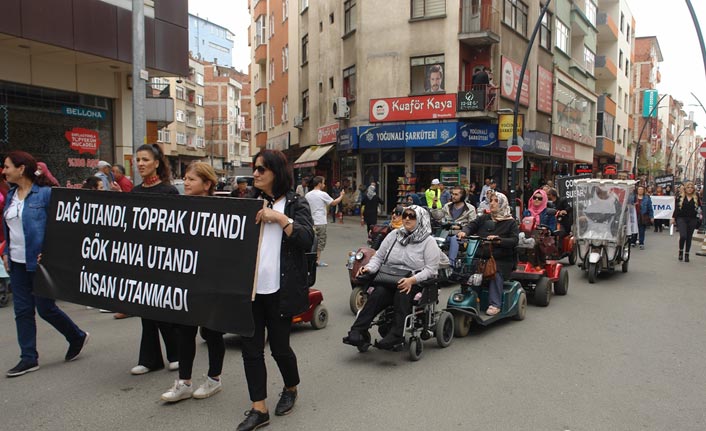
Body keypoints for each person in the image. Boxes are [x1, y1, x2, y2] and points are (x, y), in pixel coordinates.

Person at [235, 149, 314, 431]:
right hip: (251, 291)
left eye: (261, 169)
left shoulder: (294, 203)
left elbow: (307, 239)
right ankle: (259, 409)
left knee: (280, 348)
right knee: (251, 350)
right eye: (254, 168)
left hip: (280, 291)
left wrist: (280, 219)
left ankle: (291, 388)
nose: (255, 174)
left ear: (276, 173)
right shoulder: (247, 202)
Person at [2, 151, 89, 377]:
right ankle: (28, 358)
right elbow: (10, 229)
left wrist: (52, 252)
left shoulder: (45, 195)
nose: (4, 171)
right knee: (22, 311)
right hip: (17, 262)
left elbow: (62, 226)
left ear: (21, 169)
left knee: (45, 308)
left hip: (39, 262)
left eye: (7, 166)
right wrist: (6, 252)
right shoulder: (11, 196)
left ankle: (76, 336)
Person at [160, 162, 226, 403]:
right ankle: (184, 382)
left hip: (212, 284)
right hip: (187, 282)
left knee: (212, 333)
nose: (186, 183)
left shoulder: (224, 211)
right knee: (185, 332)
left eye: (191, 179)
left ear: (207, 184)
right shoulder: (181, 208)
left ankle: (214, 379)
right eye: (185, 178)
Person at [343, 205, 440, 349]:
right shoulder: (394, 235)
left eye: (411, 216)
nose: (406, 218)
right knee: (377, 294)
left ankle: (396, 335)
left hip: (413, 280)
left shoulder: (428, 242)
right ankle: (357, 331)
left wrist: (411, 280)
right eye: (405, 215)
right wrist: (368, 268)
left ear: (421, 220)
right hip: (389, 278)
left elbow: (431, 270)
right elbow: (378, 257)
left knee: (402, 292)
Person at [128, 144, 179, 375]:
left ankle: (175, 354)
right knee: (146, 311)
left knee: (163, 309)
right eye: (137, 159)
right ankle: (149, 359)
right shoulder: (135, 192)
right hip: (141, 259)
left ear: (157, 163)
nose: (140, 164)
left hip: (164, 259)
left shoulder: (169, 192)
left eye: (145, 159)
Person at [457, 192, 518, 316]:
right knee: (465, 269)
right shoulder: (484, 218)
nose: (492, 203)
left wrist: (499, 240)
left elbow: (514, 240)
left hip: (500, 259)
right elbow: (471, 225)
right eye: (491, 200)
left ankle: (495, 304)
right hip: (481, 256)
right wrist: (464, 232)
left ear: (502, 203)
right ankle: (469, 298)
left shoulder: (510, 222)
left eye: (496, 201)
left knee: (495, 272)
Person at [304, 176, 344, 267]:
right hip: (320, 221)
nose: (324, 184)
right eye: (323, 183)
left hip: (310, 222)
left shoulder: (308, 195)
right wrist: (341, 196)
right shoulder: (323, 194)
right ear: (319, 184)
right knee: (320, 242)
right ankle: (317, 261)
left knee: (310, 241)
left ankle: (309, 260)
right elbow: (333, 203)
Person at [442, 186, 477, 267]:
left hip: (462, 237)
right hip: (446, 234)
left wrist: (460, 227)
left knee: (455, 239)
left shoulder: (470, 208)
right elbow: (439, 218)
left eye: (456, 194)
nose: (453, 196)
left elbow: (473, 225)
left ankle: (451, 265)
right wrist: (434, 207)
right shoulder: (447, 206)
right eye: (452, 194)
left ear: (462, 196)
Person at [671, 181, 702, 262]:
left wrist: (699, 217)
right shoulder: (680, 197)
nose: (690, 189)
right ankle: (681, 251)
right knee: (683, 235)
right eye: (688, 187)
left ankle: (687, 254)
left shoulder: (696, 197)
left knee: (689, 237)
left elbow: (699, 209)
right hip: (681, 218)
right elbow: (677, 209)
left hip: (692, 219)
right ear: (685, 188)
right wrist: (673, 218)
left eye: (691, 187)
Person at [634, 185, 653, 250]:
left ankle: (641, 243)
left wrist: (651, 216)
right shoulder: (634, 197)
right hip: (634, 215)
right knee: (634, 229)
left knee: (642, 230)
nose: (640, 191)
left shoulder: (647, 198)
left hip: (643, 215)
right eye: (639, 189)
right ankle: (633, 241)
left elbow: (650, 208)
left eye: (642, 189)